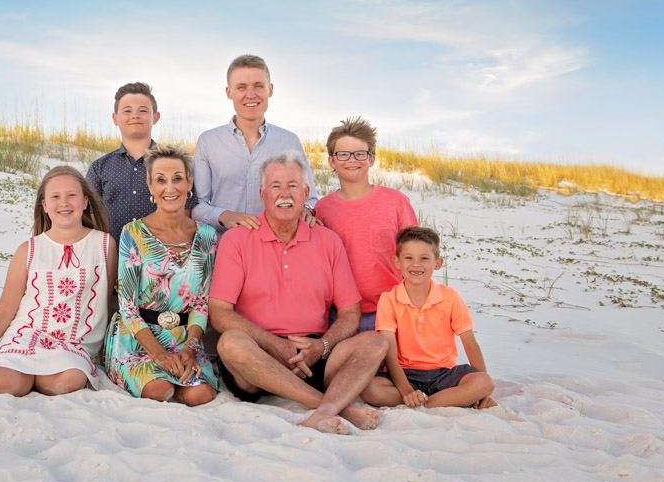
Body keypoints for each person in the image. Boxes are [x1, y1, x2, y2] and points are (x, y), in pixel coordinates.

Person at [209, 151, 388, 435]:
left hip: (315, 354)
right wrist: (273, 345)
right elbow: (219, 313)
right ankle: (333, 408)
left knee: (375, 343)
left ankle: (323, 411)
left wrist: (322, 347)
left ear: (305, 192)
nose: (284, 194)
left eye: (293, 185)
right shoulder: (237, 239)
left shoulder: (328, 241)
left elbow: (350, 312)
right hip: (258, 358)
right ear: (262, 193)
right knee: (230, 343)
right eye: (276, 186)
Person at [0, 165, 117, 396]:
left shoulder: (104, 244)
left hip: (74, 345)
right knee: (8, 385)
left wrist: (110, 351)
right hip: (28, 335)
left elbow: (108, 302)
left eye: (71, 195)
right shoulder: (29, 250)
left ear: (84, 202)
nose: (64, 203)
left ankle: (17, 369)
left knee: (67, 382)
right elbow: (5, 310)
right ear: (44, 206)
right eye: (55, 197)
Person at [105, 144, 219, 406]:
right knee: (160, 390)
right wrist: (159, 356)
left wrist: (189, 350)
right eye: (161, 180)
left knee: (198, 395)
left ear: (190, 182)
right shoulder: (132, 233)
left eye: (178, 178)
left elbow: (201, 303)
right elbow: (128, 307)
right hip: (138, 340)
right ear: (150, 186)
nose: (170, 188)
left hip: (184, 339)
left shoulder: (207, 236)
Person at [364, 226, 497, 409]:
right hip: (405, 374)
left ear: (438, 263)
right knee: (371, 388)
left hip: (444, 374)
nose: (416, 265)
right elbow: (389, 352)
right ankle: (435, 400)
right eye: (408, 258)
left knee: (484, 382)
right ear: (397, 262)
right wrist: (406, 390)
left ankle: (426, 404)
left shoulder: (450, 297)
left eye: (424, 258)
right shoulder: (389, 299)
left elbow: (470, 344)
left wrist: (483, 393)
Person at [192, 55, 319, 234]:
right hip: (224, 248)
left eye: (258, 86)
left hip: (279, 251)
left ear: (270, 89)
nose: (250, 94)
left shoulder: (289, 141)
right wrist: (225, 216)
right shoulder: (208, 142)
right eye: (241, 87)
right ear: (229, 92)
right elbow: (196, 205)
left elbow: (311, 198)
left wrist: (306, 209)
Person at [313, 117, 417, 331]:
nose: (352, 160)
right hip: (341, 313)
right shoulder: (323, 209)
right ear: (332, 161)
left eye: (360, 153)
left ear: (372, 159)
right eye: (343, 154)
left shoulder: (396, 201)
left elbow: (413, 254)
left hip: (391, 310)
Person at [87, 82, 196, 241]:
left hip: (163, 258)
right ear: (115, 118)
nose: (135, 115)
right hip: (113, 257)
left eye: (143, 110)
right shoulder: (99, 167)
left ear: (155, 117)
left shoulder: (173, 164)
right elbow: (92, 218)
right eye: (127, 111)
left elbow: (186, 210)